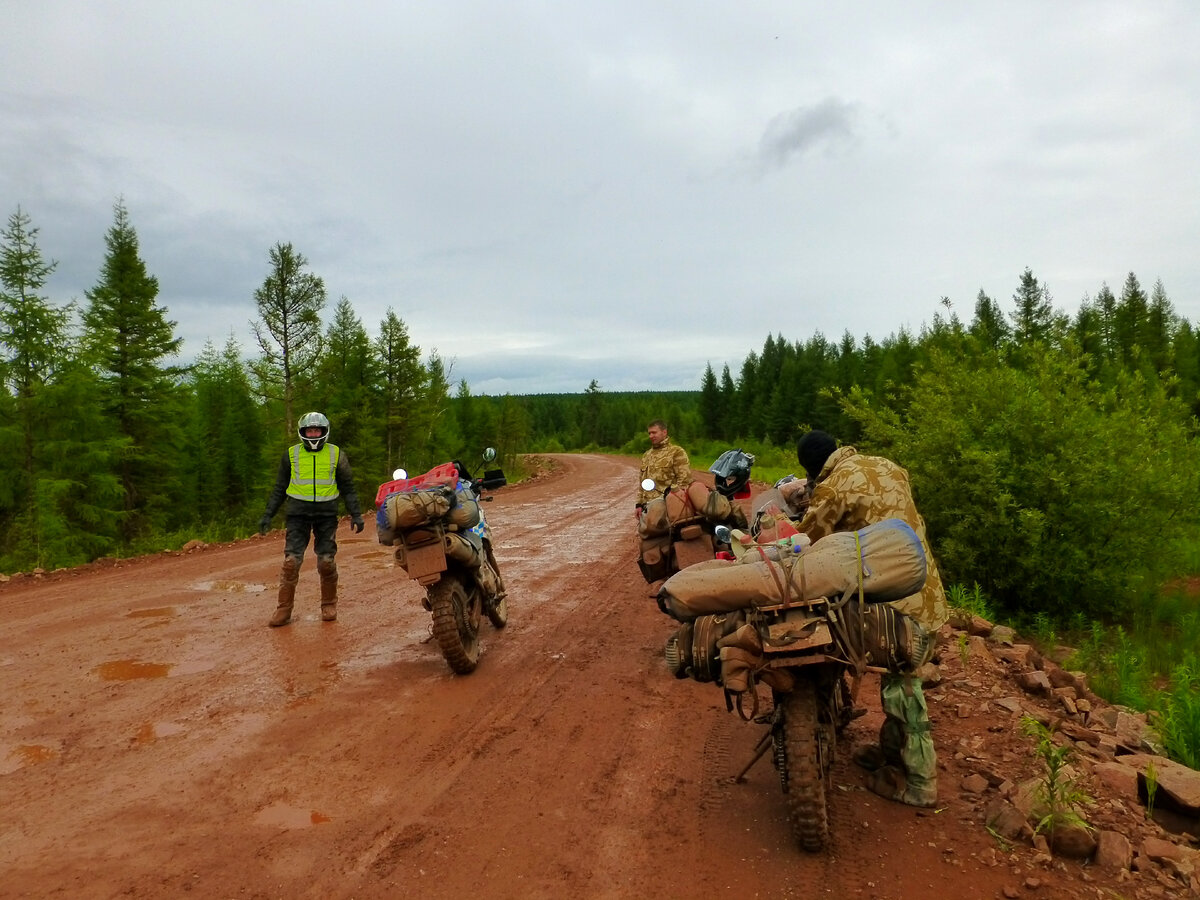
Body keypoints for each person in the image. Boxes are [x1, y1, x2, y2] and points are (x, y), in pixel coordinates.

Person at [792, 429, 948, 808]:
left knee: (903, 686)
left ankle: (919, 783)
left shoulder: (832, 488)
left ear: (813, 469)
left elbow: (805, 540)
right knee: (898, 677)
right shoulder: (886, 465)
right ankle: (892, 756)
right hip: (928, 591)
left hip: (897, 604)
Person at [259, 411, 364, 627]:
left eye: (317, 430)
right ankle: (284, 610)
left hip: (326, 516)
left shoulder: (337, 454)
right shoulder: (291, 455)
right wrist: (268, 515)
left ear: (324, 432)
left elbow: (348, 488)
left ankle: (329, 604)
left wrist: (356, 514)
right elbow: (279, 488)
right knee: (290, 563)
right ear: (303, 432)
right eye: (310, 430)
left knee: (326, 562)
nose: (313, 434)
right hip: (298, 516)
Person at [636, 419, 692, 519]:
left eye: (654, 432)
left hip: (668, 508)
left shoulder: (676, 452)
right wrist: (639, 504)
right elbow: (642, 483)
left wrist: (675, 503)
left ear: (664, 432)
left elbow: (684, 482)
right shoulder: (646, 455)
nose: (651, 436)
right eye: (649, 433)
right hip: (648, 508)